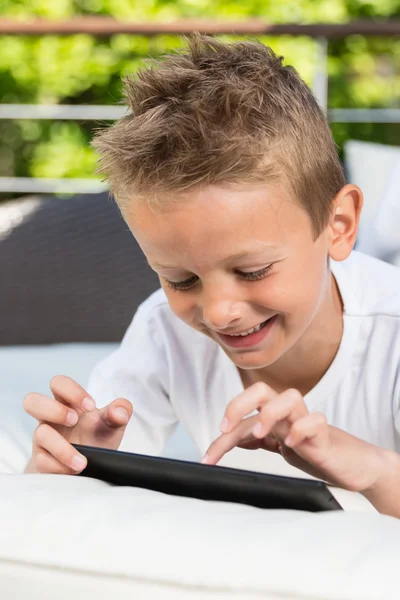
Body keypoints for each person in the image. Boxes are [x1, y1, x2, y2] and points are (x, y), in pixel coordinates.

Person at [23, 34, 400, 517]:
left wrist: (377, 471)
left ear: (339, 225)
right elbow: (56, 507)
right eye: (181, 280)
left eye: (253, 270)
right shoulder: (163, 330)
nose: (218, 311)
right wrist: (66, 466)